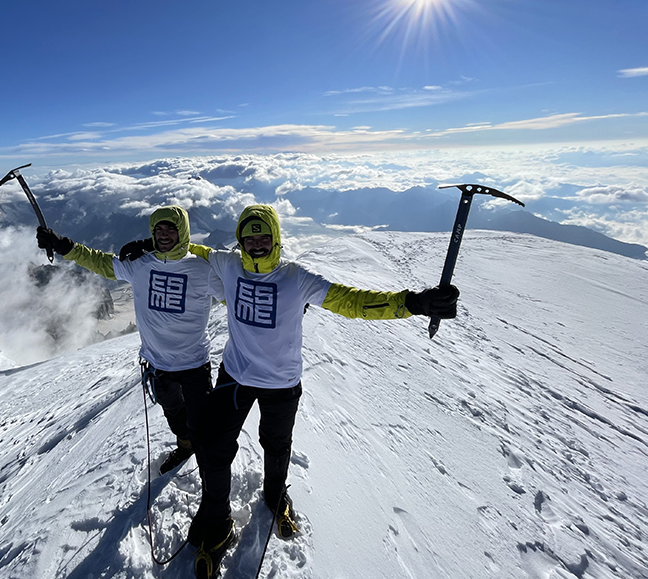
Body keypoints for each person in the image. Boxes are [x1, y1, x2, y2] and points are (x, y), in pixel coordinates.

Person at [192, 204, 459, 578]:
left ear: (275, 239)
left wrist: (411, 303)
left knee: (276, 443)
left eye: (262, 236)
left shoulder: (295, 278)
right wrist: (149, 245)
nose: (255, 243)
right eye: (248, 236)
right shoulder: (228, 265)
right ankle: (216, 520)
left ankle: (275, 494)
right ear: (239, 240)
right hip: (235, 375)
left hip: (281, 383)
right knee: (212, 446)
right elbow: (191, 250)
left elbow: (351, 301)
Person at [36, 205, 222, 475]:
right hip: (158, 364)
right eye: (159, 229)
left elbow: (236, 291)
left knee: (202, 422)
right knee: (173, 412)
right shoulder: (140, 266)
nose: (165, 234)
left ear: (182, 232)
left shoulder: (202, 269)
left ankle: (210, 475)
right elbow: (100, 262)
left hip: (194, 364)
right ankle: (185, 445)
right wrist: (64, 246)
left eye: (171, 228)